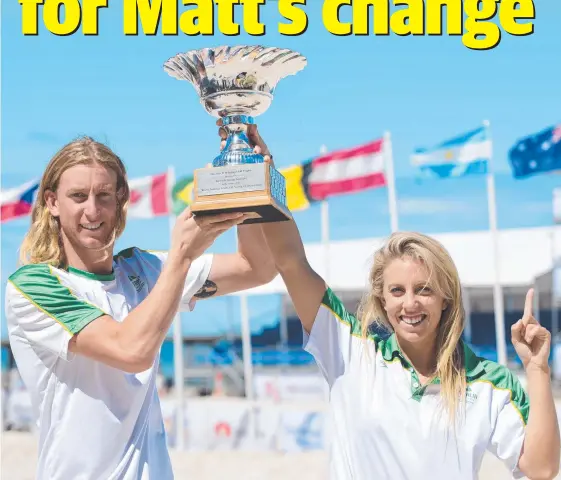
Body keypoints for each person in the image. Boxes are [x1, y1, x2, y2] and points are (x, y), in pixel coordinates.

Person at [5, 125, 277, 479]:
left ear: (120, 199)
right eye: (78, 196)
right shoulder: (36, 285)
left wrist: (250, 186)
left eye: (104, 195)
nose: (93, 209)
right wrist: (181, 255)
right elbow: (130, 351)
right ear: (52, 202)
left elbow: (255, 268)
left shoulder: (144, 269)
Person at [260, 217, 560, 480]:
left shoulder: (489, 383)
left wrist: (537, 368)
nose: (410, 304)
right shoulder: (349, 352)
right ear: (383, 300)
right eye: (397, 291)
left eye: (424, 289)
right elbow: (290, 261)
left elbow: (541, 469)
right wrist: (263, 178)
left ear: (445, 298)